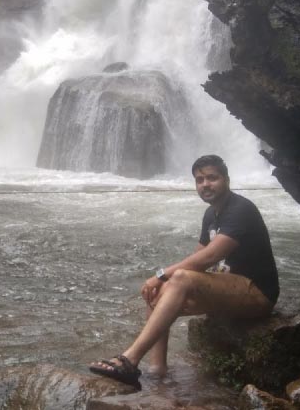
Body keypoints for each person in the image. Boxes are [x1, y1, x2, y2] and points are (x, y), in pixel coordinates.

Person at [88, 154, 279, 389]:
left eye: (212, 178)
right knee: (160, 289)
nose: (205, 184)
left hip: (257, 293)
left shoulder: (241, 209)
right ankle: (157, 369)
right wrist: (162, 282)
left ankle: (130, 359)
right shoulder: (211, 214)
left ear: (226, 180)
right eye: (200, 180)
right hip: (230, 288)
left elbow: (210, 257)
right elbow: (197, 257)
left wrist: (161, 274)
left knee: (176, 277)